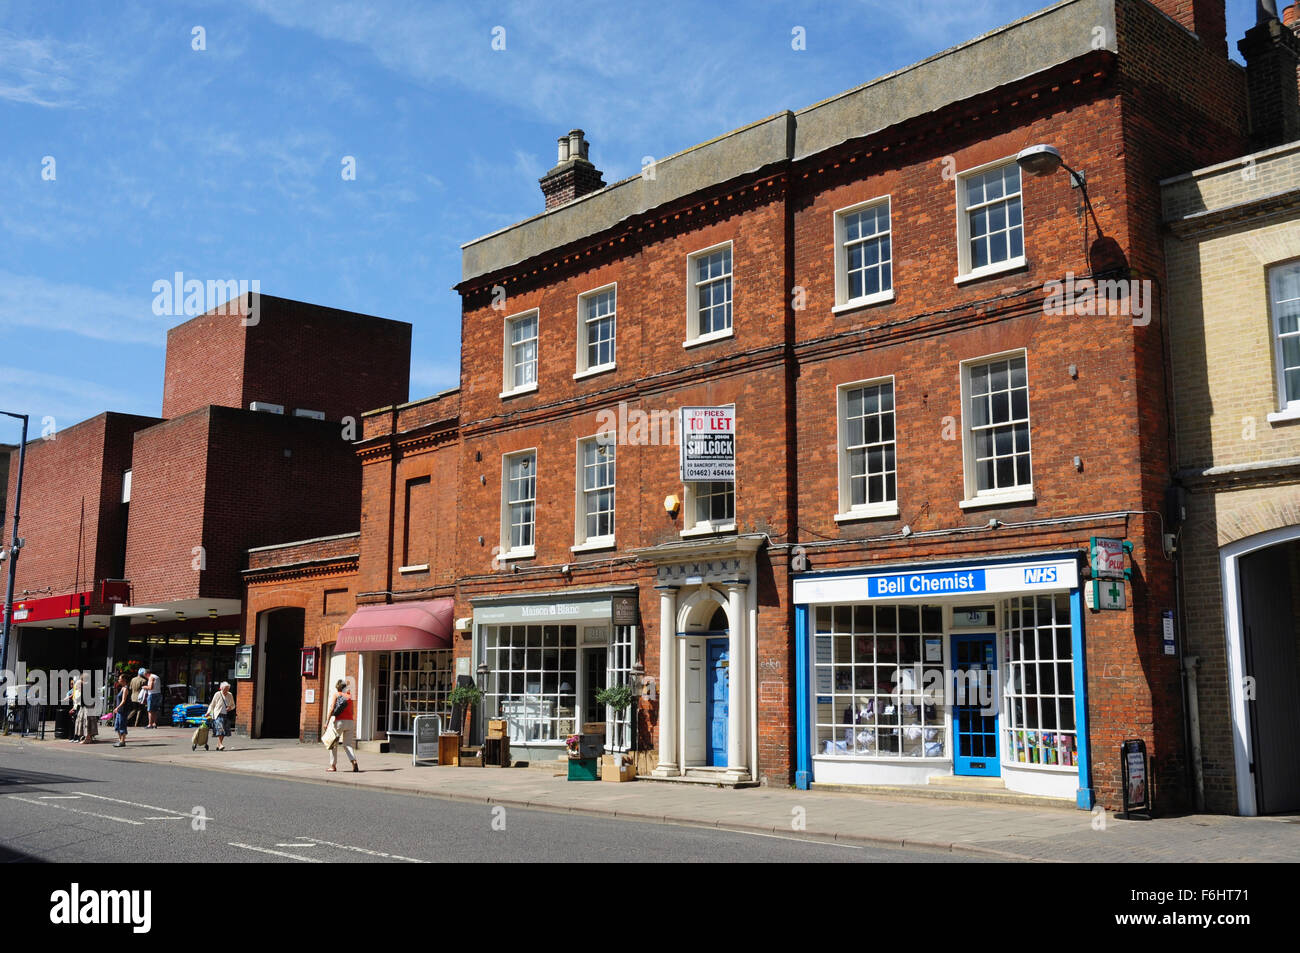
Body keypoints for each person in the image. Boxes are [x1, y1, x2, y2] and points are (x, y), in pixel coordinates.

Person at [323, 678, 359, 773]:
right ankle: (353, 761)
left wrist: (326, 722)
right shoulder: (349, 697)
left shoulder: (337, 695)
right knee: (347, 744)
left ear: (337, 687)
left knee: (333, 744)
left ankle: (333, 766)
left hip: (339, 722)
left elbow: (331, 709)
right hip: (350, 722)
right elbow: (352, 712)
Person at [206, 682, 235, 751]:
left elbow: (233, 705)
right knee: (220, 729)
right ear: (221, 688)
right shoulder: (217, 694)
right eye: (225, 689)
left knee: (224, 730)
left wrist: (230, 708)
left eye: (228, 689)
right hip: (218, 714)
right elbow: (212, 704)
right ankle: (220, 744)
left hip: (225, 715)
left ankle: (219, 744)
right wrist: (208, 712)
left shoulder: (230, 695)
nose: (226, 690)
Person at [71, 672, 97, 745]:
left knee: (86, 721)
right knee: (89, 721)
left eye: (81, 679)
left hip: (87, 706)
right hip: (89, 705)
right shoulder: (90, 685)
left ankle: (87, 738)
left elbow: (82, 697)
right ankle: (88, 737)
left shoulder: (86, 685)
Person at [109, 674, 130, 747]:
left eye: (119, 679)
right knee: (117, 725)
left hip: (123, 710)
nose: (118, 680)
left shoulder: (125, 689)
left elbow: (123, 700)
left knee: (122, 725)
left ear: (124, 680)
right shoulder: (122, 688)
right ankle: (120, 740)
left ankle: (122, 741)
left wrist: (117, 707)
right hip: (119, 710)